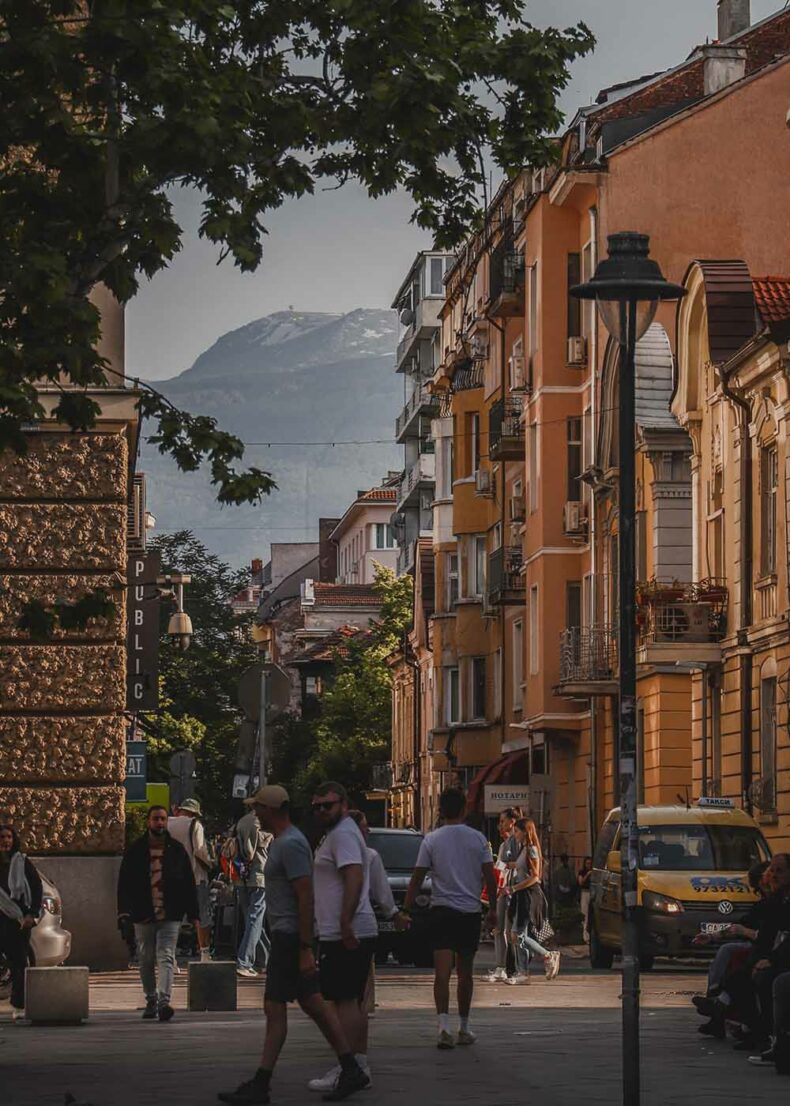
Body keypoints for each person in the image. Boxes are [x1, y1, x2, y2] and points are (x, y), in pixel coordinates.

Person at [218, 785, 368, 1105]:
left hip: (289, 937)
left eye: (258, 808)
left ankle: (262, 1083)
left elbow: (305, 895)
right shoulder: (285, 842)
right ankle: (350, 1066)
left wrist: (303, 948)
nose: (255, 814)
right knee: (313, 1004)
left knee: (274, 1007)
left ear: (272, 810)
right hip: (288, 936)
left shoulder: (291, 844)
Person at [404, 787, 497, 1049]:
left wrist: (405, 909)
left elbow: (417, 877)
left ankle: (443, 1026)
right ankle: (464, 1028)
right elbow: (490, 877)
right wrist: (493, 910)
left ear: (440, 811)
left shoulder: (431, 840)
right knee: (465, 973)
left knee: (441, 973)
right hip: (469, 912)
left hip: (441, 911)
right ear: (464, 809)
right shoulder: (478, 839)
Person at [307, 783, 378, 1093]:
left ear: (344, 805)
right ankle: (356, 1066)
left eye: (328, 805)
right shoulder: (340, 834)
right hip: (346, 928)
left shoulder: (344, 834)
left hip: (346, 930)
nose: (322, 810)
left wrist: (345, 921)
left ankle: (350, 1067)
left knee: (343, 1000)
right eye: (317, 806)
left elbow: (353, 875)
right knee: (350, 1000)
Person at [117, 804, 199, 1022]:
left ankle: (164, 1000)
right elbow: (124, 883)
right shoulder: (136, 850)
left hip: (170, 914)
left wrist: (193, 913)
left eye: (163, 819)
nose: (160, 823)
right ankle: (151, 998)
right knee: (145, 958)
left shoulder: (176, 850)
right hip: (143, 914)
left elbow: (188, 883)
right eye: (156, 819)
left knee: (166, 956)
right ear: (148, 822)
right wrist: (124, 913)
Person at [506, 818, 560, 984]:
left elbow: (535, 877)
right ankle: (523, 971)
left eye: (517, 831)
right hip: (522, 894)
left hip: (529, 895)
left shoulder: (532, 849)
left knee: (517, 935)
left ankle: (547, 956)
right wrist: (510, 865)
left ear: (525, 832)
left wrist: (514, 888)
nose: (514, 835)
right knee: (518, 935)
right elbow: (523, 867)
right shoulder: (524, 849)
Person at [0, 825, 43, 1019]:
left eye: (9, 837)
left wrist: (31, 914)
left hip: (18, 919)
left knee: (19, 962)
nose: (5, 841)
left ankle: (18, 1005)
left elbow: (36, 887)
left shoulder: (22, 862)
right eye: (2, 837)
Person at [168, 797, 213, 961]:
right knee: (201, 917)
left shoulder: (167, 823)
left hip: (172, 879)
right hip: (195, 877)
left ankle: (170, 956)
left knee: (173, 919)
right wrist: (210, 863)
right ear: (194, 812)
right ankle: (205, 954)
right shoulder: (195, 825)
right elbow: (200, 851)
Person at [235, 805, 273, 978]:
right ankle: (244, 961)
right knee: (255, 920)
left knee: (252, 921)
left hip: (240, 877)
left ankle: (266, 960)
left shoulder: (242, 821)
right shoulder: (263, 823)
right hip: (259, 876)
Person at [485, 808, 520, 983]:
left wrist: (507, 866)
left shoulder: (518, 841)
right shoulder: (504, 844)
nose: (500, 825)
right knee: (499, 929)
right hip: (502, 889)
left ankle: (515, 968)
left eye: (502, 821)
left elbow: (522, 865)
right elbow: (500, 867)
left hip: (513, 889)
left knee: (511, 930)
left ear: (512, 822)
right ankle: (501, 967)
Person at [577, 856, 593, 944]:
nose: (589, 865)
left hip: (592, 892)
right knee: (585, 914)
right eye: (587, 863)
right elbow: (580, 882)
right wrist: (587, 875)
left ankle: (590, 936)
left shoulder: (594, 871)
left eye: (590, 864)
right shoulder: (582, 872)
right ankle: (585, 937)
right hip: (585, 893)